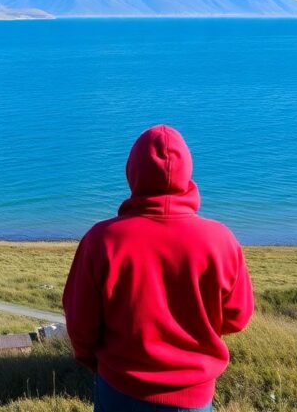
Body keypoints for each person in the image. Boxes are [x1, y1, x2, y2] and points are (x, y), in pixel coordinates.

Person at [63, 125, 254, 412]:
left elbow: (81, 326)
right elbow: (237, 317)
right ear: (187, 171)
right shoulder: (221, 240)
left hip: (119, 389)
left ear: (133, 172)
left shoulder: (100, 240)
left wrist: (100, 365)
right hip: (193, 396)